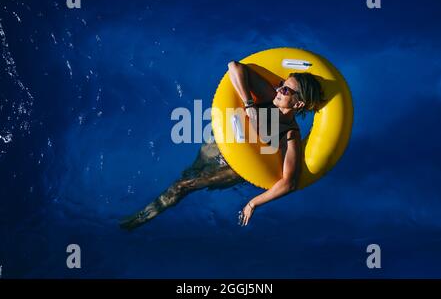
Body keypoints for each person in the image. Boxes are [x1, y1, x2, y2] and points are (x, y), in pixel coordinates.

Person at [120, 61, 325, 230]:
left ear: (298, 104)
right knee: (185, 176)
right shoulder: (269, 98)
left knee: (182, 187)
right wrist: (249, 104)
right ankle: (141, 216)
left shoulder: (290, 134)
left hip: (234, 169)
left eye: (286, 89)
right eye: (281, 84)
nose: (279, 89)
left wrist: (253, 203)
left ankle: (137, 221)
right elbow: (234, 66)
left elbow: (290, 182)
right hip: (220, 146)